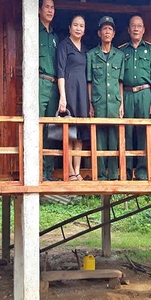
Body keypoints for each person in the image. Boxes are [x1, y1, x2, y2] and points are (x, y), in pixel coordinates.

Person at [120, 15, 151, 180]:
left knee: (144, 132)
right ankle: (127, 170)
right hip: (127, 94)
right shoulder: (121, 51)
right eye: (133, 26)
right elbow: (119, 79)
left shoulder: (150, 50)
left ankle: (142, 170)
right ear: (129, 30)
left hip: (144, 93)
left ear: (143, 30)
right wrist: (120, 101)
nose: (136, 29)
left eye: (139, 26)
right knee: (126, 132)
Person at [87, 16, 125, 180]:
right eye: (104, 29)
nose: (107, 31)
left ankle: (114, 174)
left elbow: (120, 82)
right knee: (99, 139)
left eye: (110, 29)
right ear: (99, 33)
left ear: (114, 33)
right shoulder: (91, 55)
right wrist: (90, 103)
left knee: (114, 138)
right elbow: (89, 82)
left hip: (115, 103)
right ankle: (101, 175)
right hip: (98, 102)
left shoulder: (120, 55)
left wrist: (121, 103)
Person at [56, 15, 89, 181]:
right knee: (69, 133)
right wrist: (62, 96)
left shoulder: (85, 49)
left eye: (81, 26)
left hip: (82, 94)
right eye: (75, 25)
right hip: (69, 91)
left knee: (80, 134)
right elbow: (60, 71)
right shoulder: (64, 45)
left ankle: (77, 171)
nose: (78, 28)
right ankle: (69, 171)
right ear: (69, 27)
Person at [38, 0, 60, 181]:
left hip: (54, 85)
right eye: (47, 7)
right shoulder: (33, 30)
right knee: (37, 126)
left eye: (52, 7)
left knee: (51, 129)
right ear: (39, 10)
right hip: (39, 82)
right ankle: (35, 171)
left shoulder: (55, 36)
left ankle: (48, 171)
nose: (50, 10)